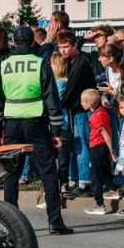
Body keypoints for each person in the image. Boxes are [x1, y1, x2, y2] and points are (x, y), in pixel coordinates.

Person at [0, 26, 73, 235]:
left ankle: (11, 225)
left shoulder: (3, 66)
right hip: (37, 125)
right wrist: (56, 132)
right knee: (48, 174)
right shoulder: (41, 65)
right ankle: (55, 222)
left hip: (12, 126)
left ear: (14, 43)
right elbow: (52, 101)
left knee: (11, 174)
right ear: (32, 42)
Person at [58, 31, 96, 197]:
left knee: (81, 148)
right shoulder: (74, 59)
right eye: (60, 47)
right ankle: (78, 181)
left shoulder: (79, 63)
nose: (63, 51)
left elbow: (70, 91)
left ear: (74, 46)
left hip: (82, 110)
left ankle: (84, 184)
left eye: (66, 47)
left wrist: (55, 107)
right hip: (77, 109)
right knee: (76, 147)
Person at [82, 89, 116, 215]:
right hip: (102, 146)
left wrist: (111, 151)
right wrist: (109, 147)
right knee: (103, 170)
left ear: (89, 104)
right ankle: (115, 188)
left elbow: (105, 134)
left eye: (82, 102)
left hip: (97, 146)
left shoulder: (95, 117)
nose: (81, 104)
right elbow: (110, 131)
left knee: (95, 175)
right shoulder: (103, 111)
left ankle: (99, 204)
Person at [51, 52, 71, 192]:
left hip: (61, 124)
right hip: (56, 123)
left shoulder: (60, 83)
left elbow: (55, 101)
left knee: (62, 155)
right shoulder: (57, 82)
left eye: (51, 64)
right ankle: (60, 182)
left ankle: (63, 183)